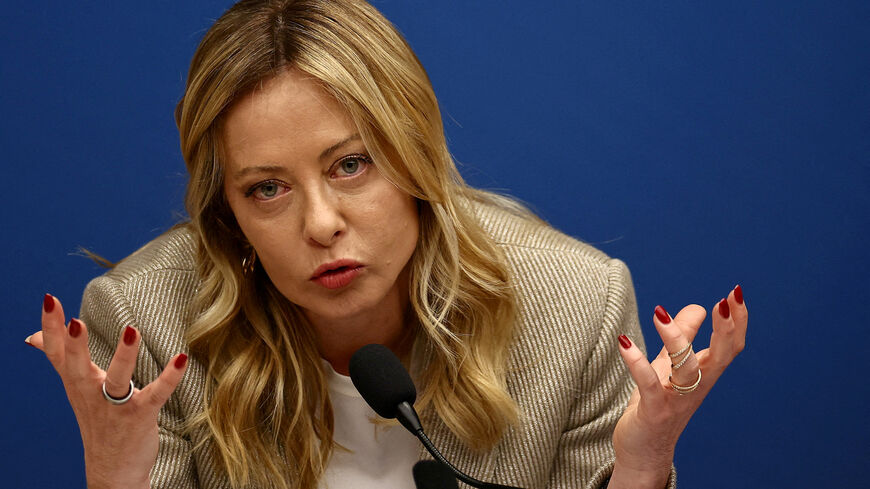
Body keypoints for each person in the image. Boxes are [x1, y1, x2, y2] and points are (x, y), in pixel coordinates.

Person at [25, 1, 748, 488]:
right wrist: (115, 480)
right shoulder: (145, 326)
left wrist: (643, 467)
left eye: (351, 164)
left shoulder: (577, 305)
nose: (321, 224)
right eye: (267, 188)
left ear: (416, 157)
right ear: (228, 214)